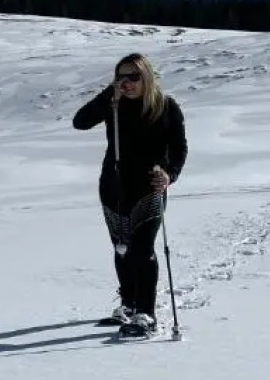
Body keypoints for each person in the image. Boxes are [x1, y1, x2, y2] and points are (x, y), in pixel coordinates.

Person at [72, 53, 187, 337]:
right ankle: (128, 303)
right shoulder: (113, 105)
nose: (126, 83)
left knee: (142, 248)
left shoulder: (166, 107)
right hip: (114, 187)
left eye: (133, 77)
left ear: (146, 77)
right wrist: (106, 97)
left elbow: (179, 148)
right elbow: (80, 122)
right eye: (120, 77)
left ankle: (146, 313)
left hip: (149, 187)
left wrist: (169, 174)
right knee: (121, 248)